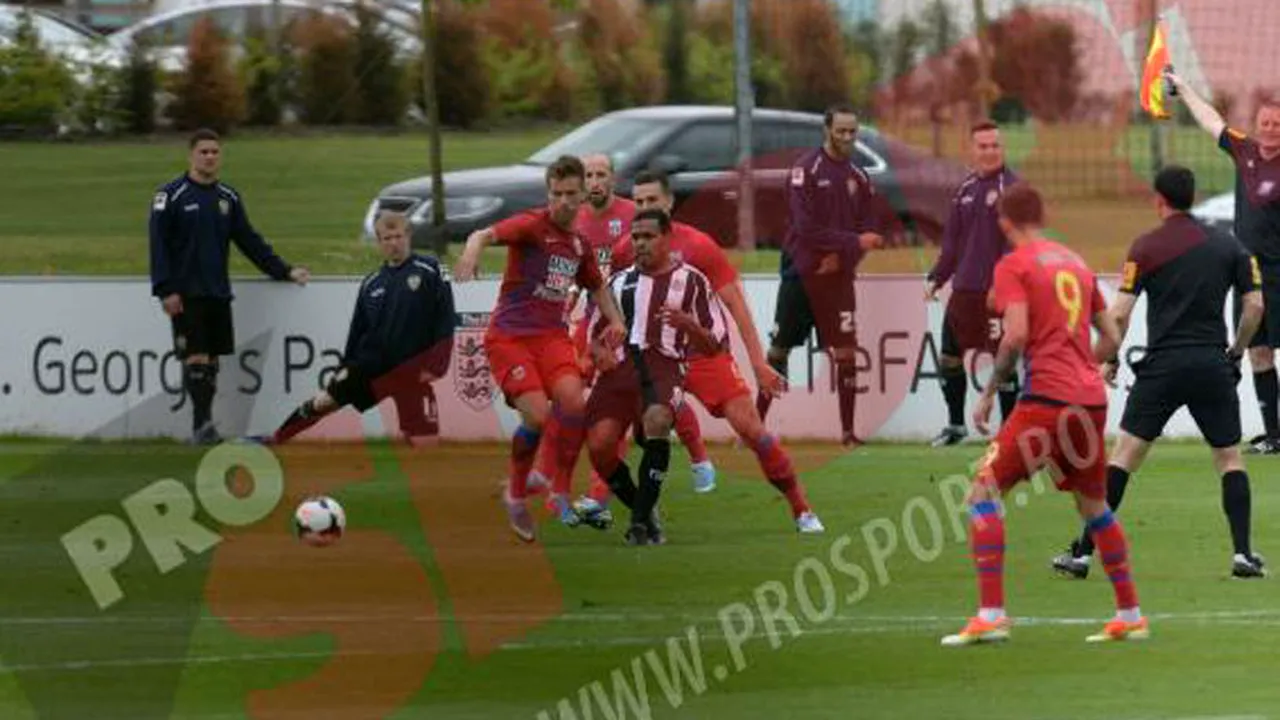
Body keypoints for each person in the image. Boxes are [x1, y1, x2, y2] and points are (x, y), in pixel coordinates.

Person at [941, 183, 1146, 647]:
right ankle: (1130, 613)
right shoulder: (1074, 261)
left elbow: (1014, 336)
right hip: (1091, 402)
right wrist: (1085, 369)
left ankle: (991, 614)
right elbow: (1112, 336)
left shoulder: (1014, 264)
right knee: (1093, 505)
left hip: (1046, 402)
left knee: (981, 493)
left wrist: (990, 391)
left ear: (1003, 222)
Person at [1051, 166, 1267, 580]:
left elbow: (1120, 311)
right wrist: (1236, 351)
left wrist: (1108, 358)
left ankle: (1082, 554)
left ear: (1159, 200)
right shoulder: (1228, 245)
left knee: (1124, 457)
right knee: (1229, 458)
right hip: (1211, 365)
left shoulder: (1145, 247)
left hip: (1162, 366)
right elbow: (1254, 305)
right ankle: (1243, 554)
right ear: (1193, 195)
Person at [578, 171, 822, 534]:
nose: (644, 208)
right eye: (639, 202)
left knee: (751, 428)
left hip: (701, 356)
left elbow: (735, 304)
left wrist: (758, 364)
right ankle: (615, 502)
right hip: (650, 356)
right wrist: (592, 352)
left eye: (652, 201)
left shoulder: (699, 246)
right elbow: (604, 301)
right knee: (622, 424)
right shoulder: (624, 251)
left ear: (670, 203)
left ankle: (801, 509)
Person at [453, 155, 627, 543]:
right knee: (537, 416)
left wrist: (615, 321)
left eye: (570, 194)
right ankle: (517, 494)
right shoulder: (533, 226)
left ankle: (548, 480)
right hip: (511, 337)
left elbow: (597, 286)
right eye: (556, 194)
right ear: (548, 194)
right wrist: (471, 253)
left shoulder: (579, 244)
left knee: (575, 405)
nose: (563, 201)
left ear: (583, 193)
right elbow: (483, 234)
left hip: (551, 337)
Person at [530, 154, 716, 516]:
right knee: (572, 394)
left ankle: (695, 459)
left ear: (613, 179)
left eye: (602, 174)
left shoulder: (635, 220)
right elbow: (581, 276)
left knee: (656, 404)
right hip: (601, 311)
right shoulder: (573, 219)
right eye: (590, 175)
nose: (596, 181)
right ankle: (558, 482)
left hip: (633, 320)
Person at [149, 128, 310, 445]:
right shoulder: (170, 196)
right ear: (191, 155)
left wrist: (284, 270)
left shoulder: (228, 198)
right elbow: (158, 246)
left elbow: (249, 240)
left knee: (211, 362)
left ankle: (207, 427)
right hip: (186, 293)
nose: (209, 157)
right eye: (203, 152)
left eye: (214, 152)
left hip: (218, 292)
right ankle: (201, 427)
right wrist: (165, 289)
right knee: (196, 357)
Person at [582, 209, 729, 545]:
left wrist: (689, 325)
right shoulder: (618, 283)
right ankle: (645, 511)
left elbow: (714, 345)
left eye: (648, 236)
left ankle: (637, 525)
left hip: (663, 366)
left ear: (667, 239)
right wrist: (599, 352)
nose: (640, 243)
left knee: (658, 420)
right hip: (619, 370)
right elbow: (593, 335)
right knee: (600, 446)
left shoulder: (692, 281)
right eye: (635, 237)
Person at [263, 211, 457, 445]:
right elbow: (357, 330)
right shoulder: (371, 283)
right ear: (379, 242)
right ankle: (277, 438)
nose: (393, 243)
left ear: (408, 236)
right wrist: (345, 366)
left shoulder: (432, 269)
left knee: (426, 442)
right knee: (323, 402)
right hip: (371, 365)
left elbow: (446, 318)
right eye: (387, 238)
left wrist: (438, 364)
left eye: (398, 236)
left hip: (411, 371)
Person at [756, 103, 886, 446]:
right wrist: (852, 242)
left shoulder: (860, 178)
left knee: (845, 354)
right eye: (840, 131)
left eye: (852, 131)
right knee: (780, 352)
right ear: (826, 130)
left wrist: (844, 260)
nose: (847, 137)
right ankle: (754, 428)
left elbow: (870, 233)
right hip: (801, 275)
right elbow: (805, 227)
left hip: (839, 281)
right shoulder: (805, 170)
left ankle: (848, 433)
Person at [1165, 71, 1280, 453]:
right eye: (1265, 122)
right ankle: (1274, 436)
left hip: (1279, 276)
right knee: (1258, 353)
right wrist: (1182, 89)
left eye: (1277, 124)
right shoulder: (1244, 151)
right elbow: (1211, 120)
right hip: (1249, 277)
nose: (1270, 129)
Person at [925, 120, 1021, 447]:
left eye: (995, 145)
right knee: (949, 358)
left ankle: (1009, 432)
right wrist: (937, 277)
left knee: (1004, 362)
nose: (990, 151)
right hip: (964, 292)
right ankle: (955, 426)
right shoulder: (965, 189)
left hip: (996, 294)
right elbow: (952, 244)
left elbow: (1016, 244)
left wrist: (1004, 285)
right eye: (983, 146)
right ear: (972, 150)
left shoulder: (1013, 188)